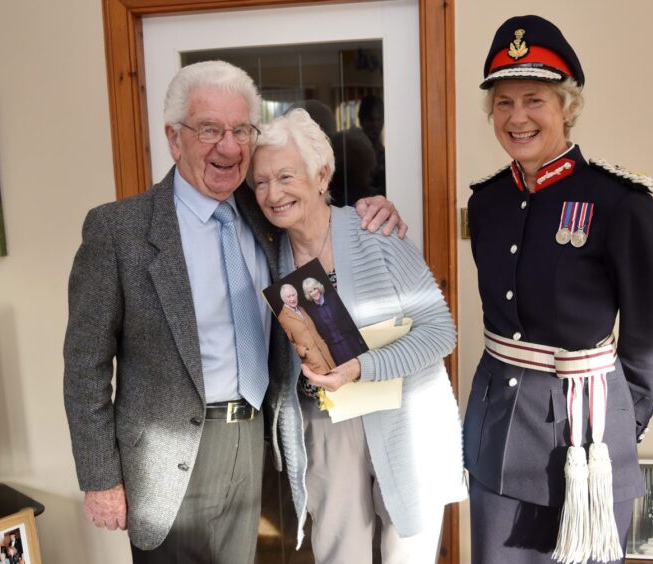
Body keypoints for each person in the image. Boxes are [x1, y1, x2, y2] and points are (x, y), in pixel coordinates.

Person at [63, 60, 406, 563]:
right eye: (209, 129)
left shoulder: (264, 212)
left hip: (254, 442)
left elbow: (318, 216)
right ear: (174, 138)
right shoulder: (120, 232)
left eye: (240, 129)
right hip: (166, 458)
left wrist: (375, 211)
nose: (229, 146)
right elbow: (84, 368)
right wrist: (100, 478)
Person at [463, 15, 653, 564]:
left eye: (534, 99)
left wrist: (621, 421)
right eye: (504, 103)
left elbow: (652, 332)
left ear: (566, 107)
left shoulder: (619, 202)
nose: (517, 117)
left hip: (585, 440)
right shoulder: (487, 203)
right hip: (500, 434)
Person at [250, 108, 466, 564]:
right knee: (337, 555)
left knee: (407, 555)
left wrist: (363, 367)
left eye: (286, 176)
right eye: (261, 182)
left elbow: (441, 332)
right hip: (326, 425)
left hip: (406, 420)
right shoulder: (265, 253)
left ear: (322, 174)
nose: (273, 193)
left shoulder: (377, 233)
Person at [301, 276, 365, 364]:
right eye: (310, 291)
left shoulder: (334, 297)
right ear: (308, 295)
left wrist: (360, 336)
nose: (314, 293)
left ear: (319, 288)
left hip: (350, 339)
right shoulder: (311, 311)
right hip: (335, 348)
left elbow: (349, 317)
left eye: (314, 288)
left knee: (361, 363)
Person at [276, 283, 336, 374]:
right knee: (326, 384)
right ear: (283, 299)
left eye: (294, 295)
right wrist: (303, 351)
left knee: (337, 376)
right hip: (311, 358)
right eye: (288, 297)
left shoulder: (301, 309)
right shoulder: (282, 319)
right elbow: (286, 345)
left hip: (324, 351)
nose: (292, 299)